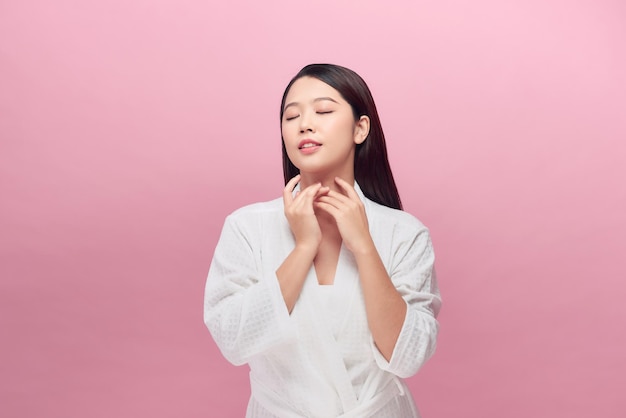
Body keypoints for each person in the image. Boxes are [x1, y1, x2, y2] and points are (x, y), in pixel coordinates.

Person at [204, 63, 441, 417]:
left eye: (324, 110)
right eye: (291, 116)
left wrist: (364, 246)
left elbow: (407, 358)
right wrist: (303, 248)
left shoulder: (404, 233)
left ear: (360, 128)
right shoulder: (247, 227)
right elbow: (234, 341)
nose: (305, 124)